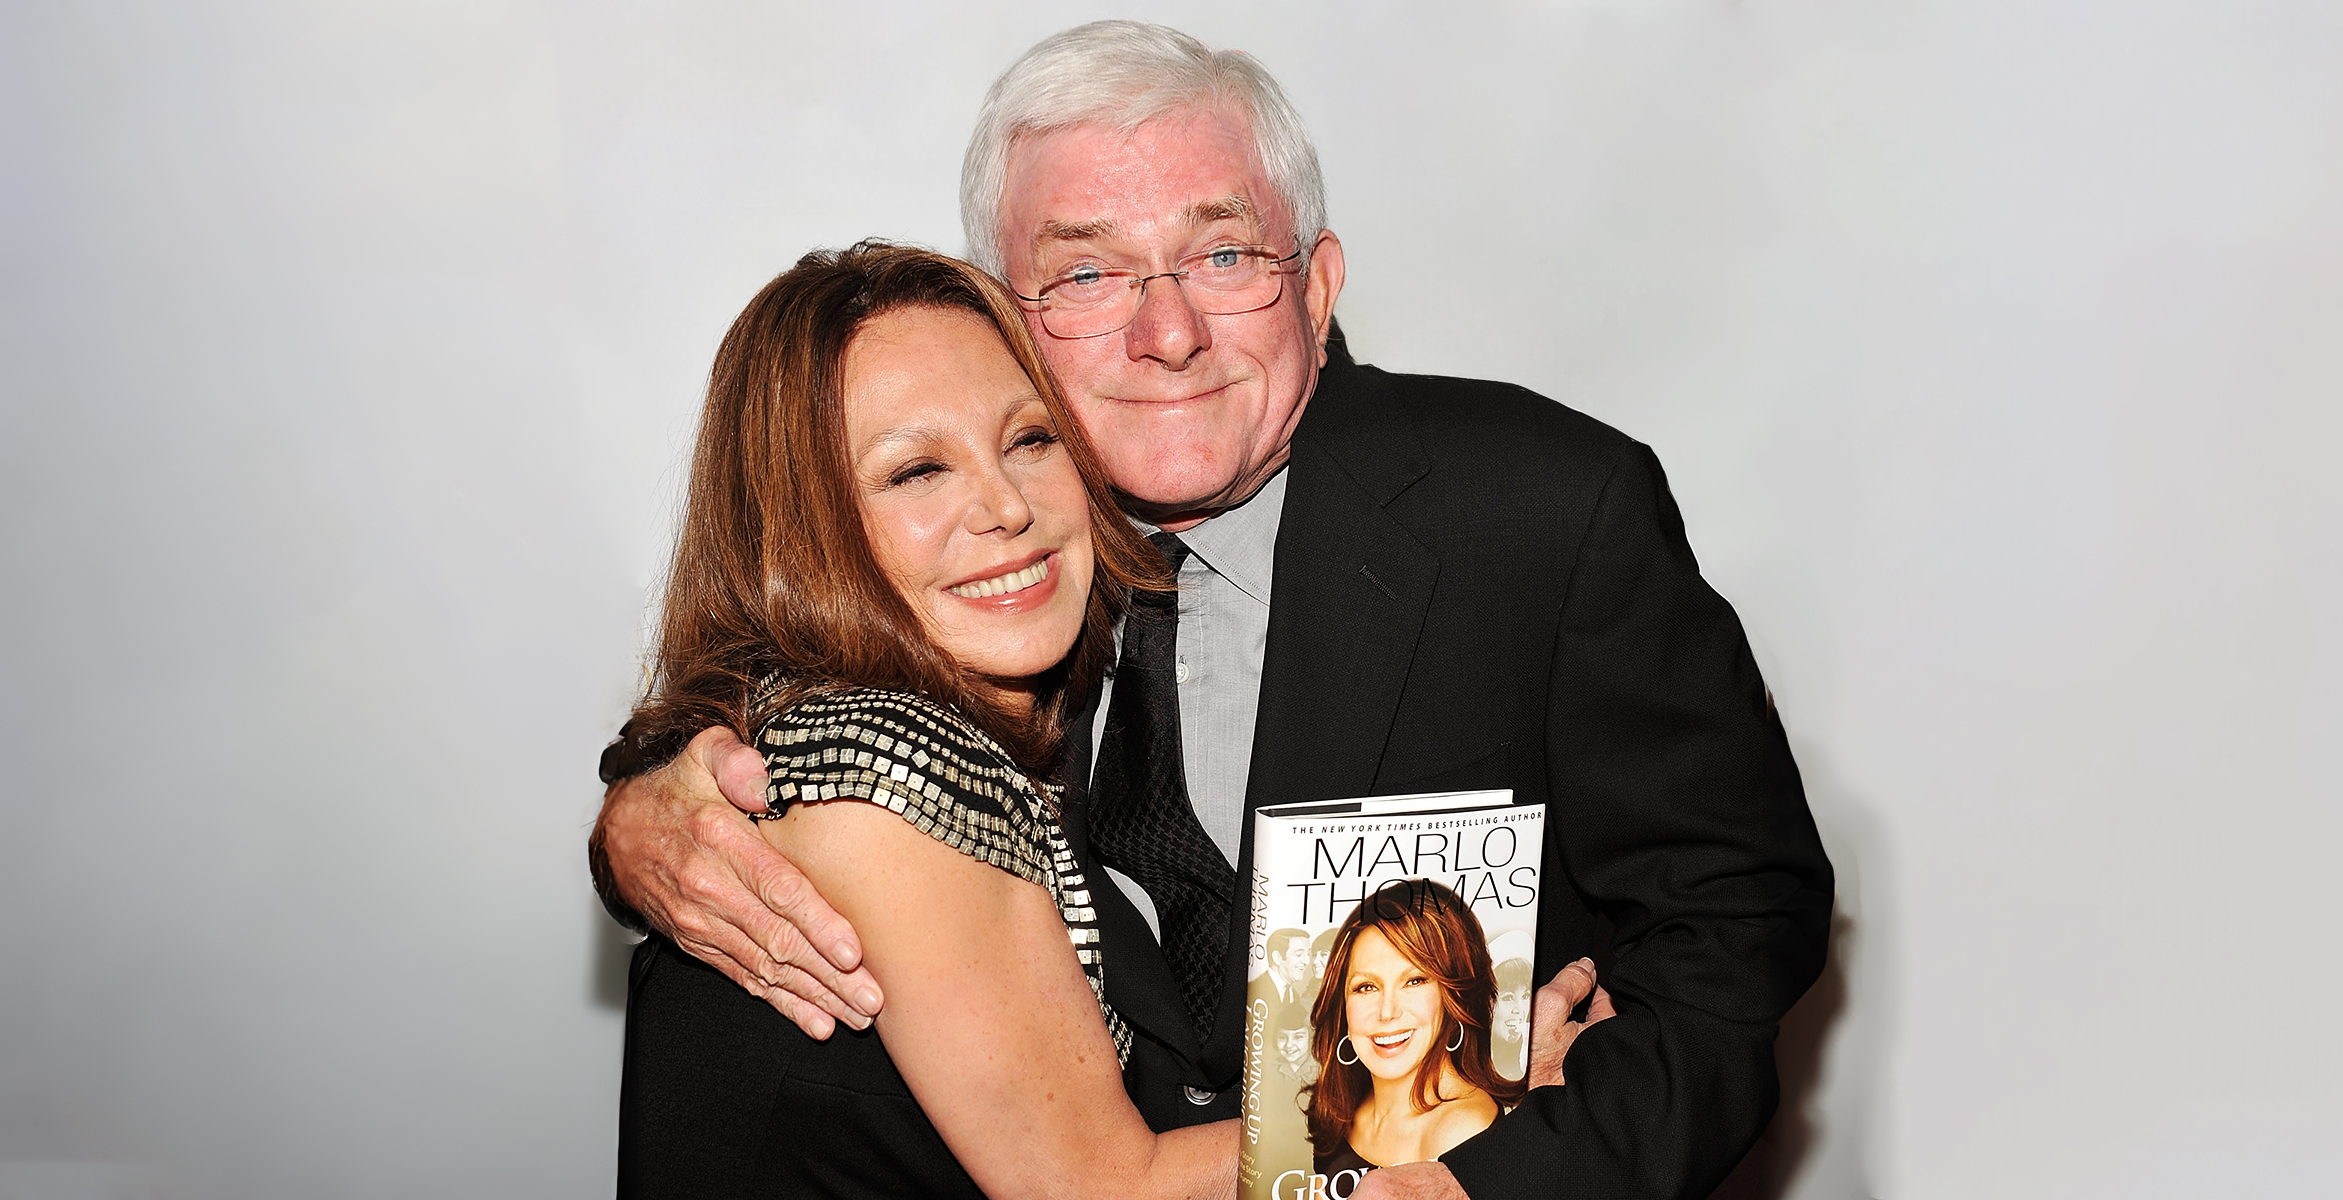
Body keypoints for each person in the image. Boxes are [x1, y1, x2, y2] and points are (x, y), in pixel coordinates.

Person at [593, 21, 1833, 1200]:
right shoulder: (984, 575)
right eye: (1086, 271)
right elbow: (775, 695)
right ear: (1008, 321)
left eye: (1226, 255)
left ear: (1320, 282)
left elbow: (1735, 921)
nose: (1167, 333)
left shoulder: (1542, 509)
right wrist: (642, 821)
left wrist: (1500, 1174)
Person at [610, 240, 1232, 1198]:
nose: (1006, 506)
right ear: (802, 529)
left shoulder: (815, 724)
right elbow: (1110, 1187)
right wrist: (1461, 1099)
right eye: (915, 472)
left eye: (1030, 439)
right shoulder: (883, 765)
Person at [1305, 881, 1524, 1184]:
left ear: (1453, 995)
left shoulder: (1461, 1130)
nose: (1387, 1012)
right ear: (1342, 1003)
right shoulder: (1340, 1107)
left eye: (1414, 981)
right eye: (1366, 987)